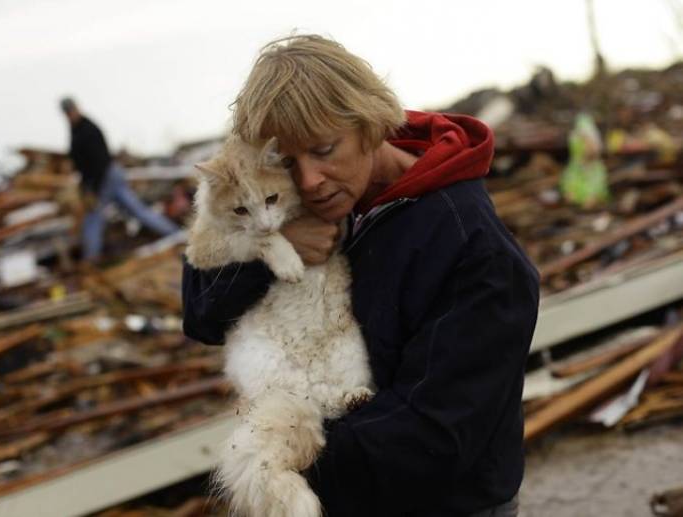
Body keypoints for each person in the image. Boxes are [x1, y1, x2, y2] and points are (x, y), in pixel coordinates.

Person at [182, 35, 539, 517]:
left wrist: (285, 465)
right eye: (288, 162)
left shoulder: (470, 244)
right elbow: (201, 312)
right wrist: (263, 258)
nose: (309, 181)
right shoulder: (290, 208)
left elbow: (438, 433)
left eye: (324, 149)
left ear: (369, 125)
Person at [60, 97, 179, 261]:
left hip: (105, 177)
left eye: (71, 110)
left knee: (93, 219)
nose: (70, 114)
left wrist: (92, 189)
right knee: (137, 210)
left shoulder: (88, 129)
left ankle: (90, 260)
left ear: (76, 108)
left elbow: (98, 161)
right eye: (67, 112)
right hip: (108, 176)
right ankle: (174, 233)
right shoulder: (75, 130)